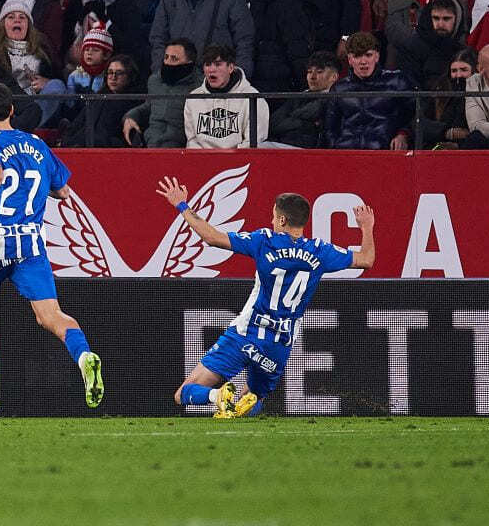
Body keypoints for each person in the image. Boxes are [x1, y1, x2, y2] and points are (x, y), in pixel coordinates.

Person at [158, 178, 375, 418]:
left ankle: (217, 396)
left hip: (246, 333)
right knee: (250, 402)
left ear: (282, 220)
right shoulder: (321, 251)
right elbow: (366, 259)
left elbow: (212, 237)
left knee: (184, 392)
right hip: (278, 345)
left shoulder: (264, 241)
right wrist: (366, 227)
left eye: (274, 217)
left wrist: (182, 205)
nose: (271, 221)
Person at [0, 82, 103, 413]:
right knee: (50, 315)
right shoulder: (37, 144)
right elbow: (62, 192)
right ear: (12, 111)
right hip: (30, 243)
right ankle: (84, 355)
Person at [322, 31, 415, 150]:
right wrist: (335, 147)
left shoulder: (397, 82)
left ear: (377, 56)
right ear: (350, 60)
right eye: (357, 56)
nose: (363, 61)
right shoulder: (339, 88)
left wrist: (403, 134)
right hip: (347, 153)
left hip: (385, 153)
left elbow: (415, 115)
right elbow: (330, 128)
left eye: (368, 55)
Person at [255, 0, 337, 92]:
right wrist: (306, 87)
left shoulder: (298, 5)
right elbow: (297, 49)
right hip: (283, 82)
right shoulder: (290, 9)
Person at [184, 44, 269, 149]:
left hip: (239, 162)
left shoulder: (253, 97)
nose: (211, 70)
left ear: (231, 67)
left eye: (218, 64)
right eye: (208, 64)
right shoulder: (193, 98)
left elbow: (253, 143)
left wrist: (227, 162)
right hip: (203, 161)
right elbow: (192, 142)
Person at [122, 38, 200, 148]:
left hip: (181, 149)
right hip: (151, 144)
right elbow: (149, 106)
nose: (167, 62)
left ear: (189, 63)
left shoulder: (199, 85)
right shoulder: (155, 81)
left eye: (174, 59)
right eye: (166, 57)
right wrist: (130, 117)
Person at [62, 55, 140, 148]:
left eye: (119, 73)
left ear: (130, 76)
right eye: (110, 72)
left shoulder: (134, 102)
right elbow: (77, 125)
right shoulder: (97, 99)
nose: (113, 77)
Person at [265, 51, 340, 149]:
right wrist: (306, 123)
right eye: (309, 72)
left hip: (309, 150)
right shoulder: (299, 96)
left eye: (319, 72)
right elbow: (273, 124)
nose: (312, 77)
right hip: (283, 144)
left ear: (334, 77)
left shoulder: (335, 99)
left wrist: (291, 117)